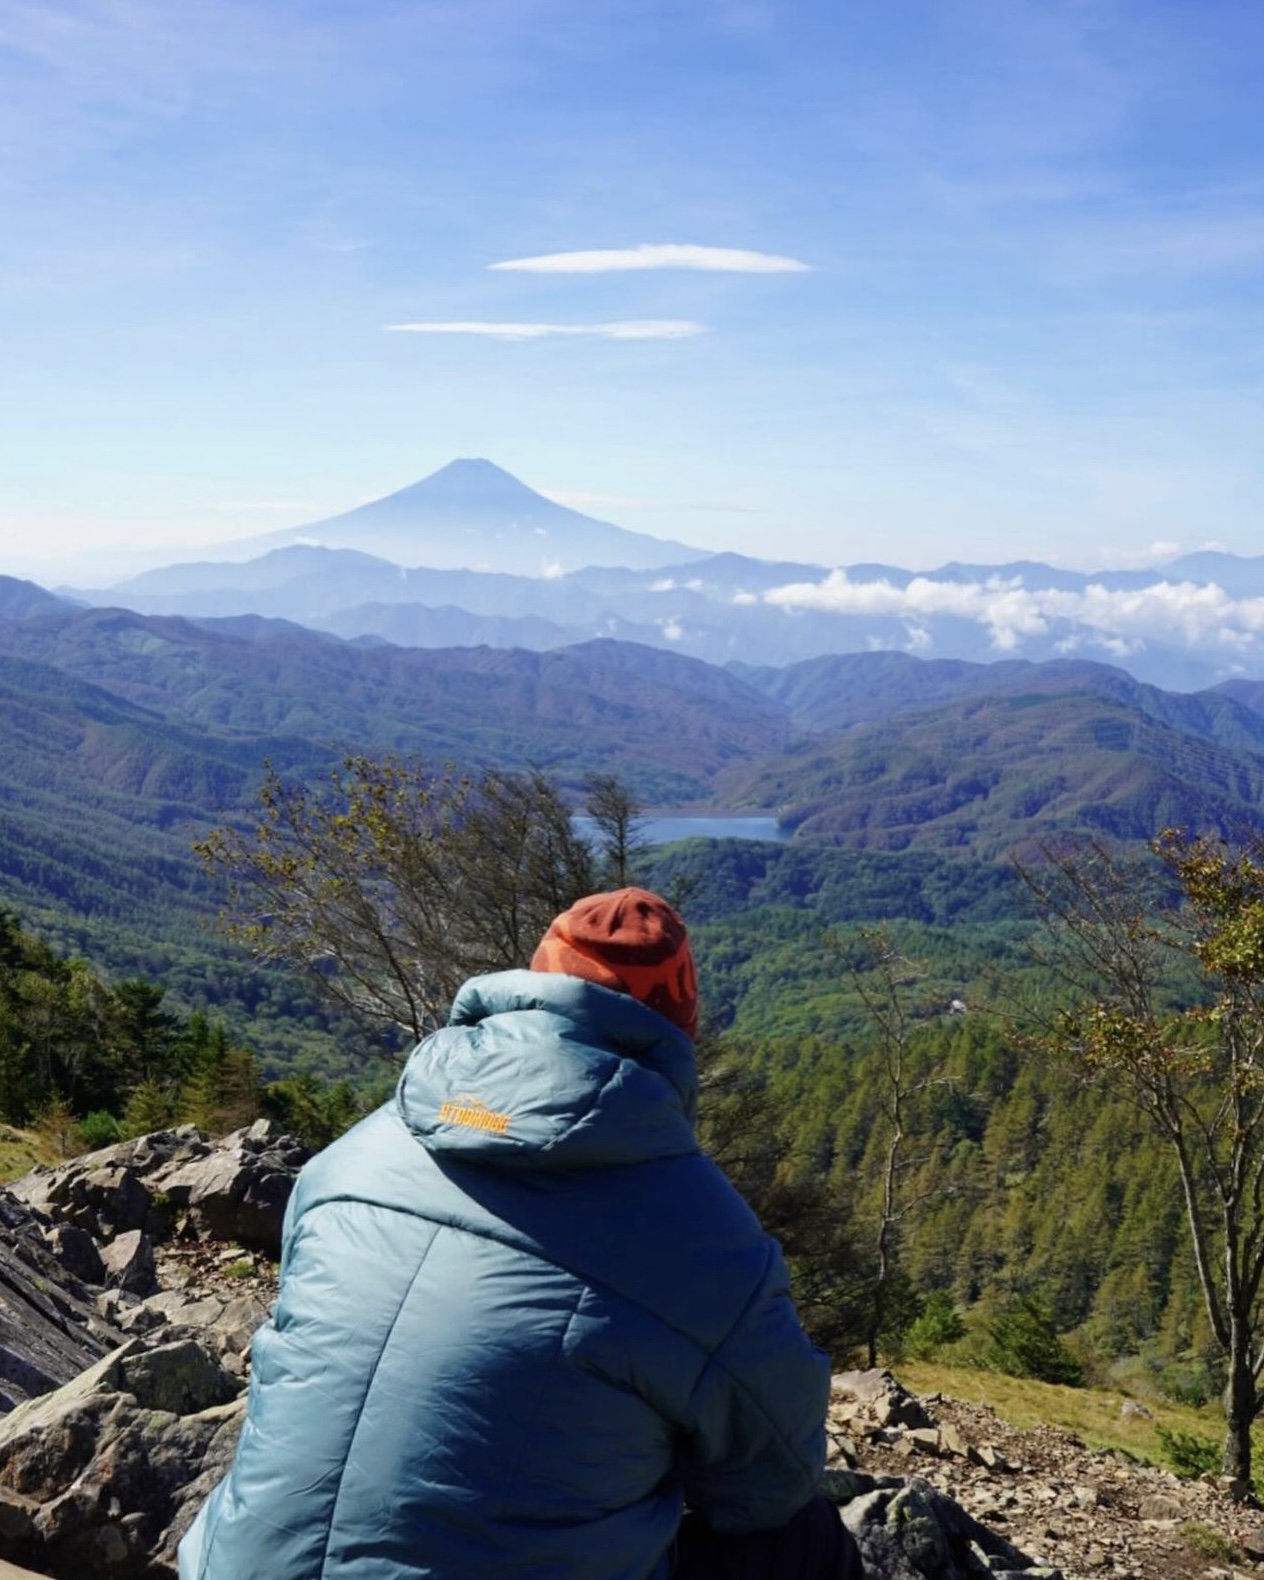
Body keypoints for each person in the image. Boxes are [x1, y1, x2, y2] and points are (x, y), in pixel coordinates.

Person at [179, 887, 863, 1580]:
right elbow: (771, 1483)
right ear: (678, 1024)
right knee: (806, 1542)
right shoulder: (710, 1243)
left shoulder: (348, 1162)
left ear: (534, 982)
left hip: (233, 1565)